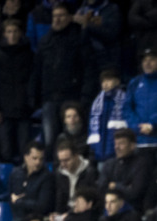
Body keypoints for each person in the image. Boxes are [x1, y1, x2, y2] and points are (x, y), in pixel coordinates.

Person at [30, 4, 97, 150]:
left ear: (69, 18)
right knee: (50, 142)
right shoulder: (45, 41)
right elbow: (37, 71)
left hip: (72, 97)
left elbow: (88, 69)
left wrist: (85, 96)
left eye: (61, 16)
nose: (57, 19)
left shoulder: (79, 39)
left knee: (72, 141)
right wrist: (33, 97)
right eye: (55, 16)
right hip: (49, 99)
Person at [0, 19, 33, 163]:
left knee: (26, 151)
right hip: (3, 112)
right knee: (5, 152)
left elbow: (34, 81)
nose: (13, 35)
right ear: (4, 34)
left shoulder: (29, 55)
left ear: (21, 33)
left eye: (15, 31)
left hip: (24, 110)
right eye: (9, 31)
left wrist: (31, 103)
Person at [6, 141, 56, 221]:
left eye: (41, 159)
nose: (38, 162)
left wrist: (20, 201)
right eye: (34, 158)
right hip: (18, 219)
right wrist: (25, 201)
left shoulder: (47, 177)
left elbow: (43, 206)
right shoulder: (16, 174)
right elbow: (11, 198)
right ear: (26, 157)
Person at [99, 129, 150, 213]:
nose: (117, 147)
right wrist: (125, 187)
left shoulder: (141, 164)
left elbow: (135, 193)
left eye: (121, 143)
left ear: (132, 146)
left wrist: (115, 185)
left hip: (133, 210)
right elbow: (101, 188)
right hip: (109, 210)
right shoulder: (109, 164)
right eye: (115, 144)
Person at [87, 69, 128, 164]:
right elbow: (91, 126)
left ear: (117, 81)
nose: (105, 84)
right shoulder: (97, 102)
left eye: (108, 80)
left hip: (117, 151)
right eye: (103, 81)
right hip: (100, 151)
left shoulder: (124, 99)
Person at [53, 139, 98, 221]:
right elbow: (59, 198)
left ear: (76, 156)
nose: (63, 164)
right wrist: (57, 214)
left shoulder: (90, 172)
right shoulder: (59, 173)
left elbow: (91, 200)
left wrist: (70, 214)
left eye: (66, 160)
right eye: (61, 161)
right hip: (66, 213)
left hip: (84, 214)